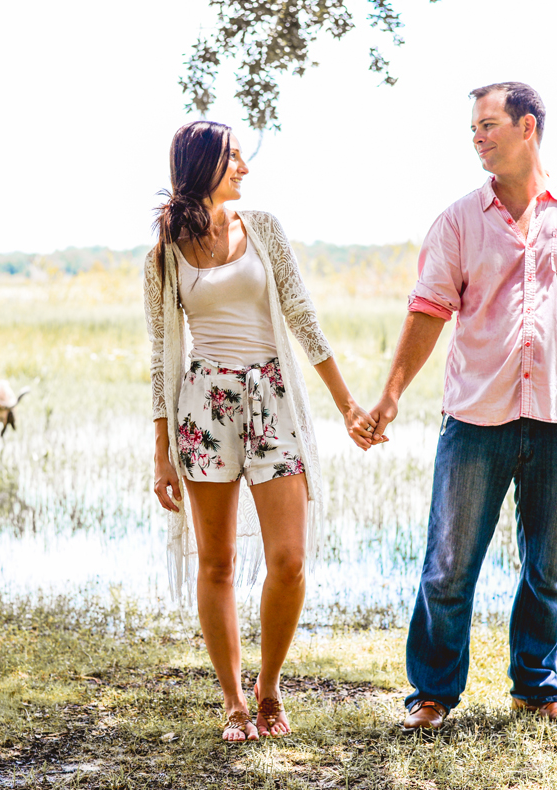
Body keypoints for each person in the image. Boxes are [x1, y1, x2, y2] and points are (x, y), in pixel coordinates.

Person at [368, 82, 557, 730]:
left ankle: (535, 686)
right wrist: (391, 392)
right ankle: (431, 694)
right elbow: (428, 310)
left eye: (488, 125)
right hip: (475, 419)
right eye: (473, 129)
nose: (477, 138)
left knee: (548, 565)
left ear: (528, 127)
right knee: (448, 564)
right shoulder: (458, 219)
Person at [145, 121, 380, 742]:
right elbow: (161, 349)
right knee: (216, 563)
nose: (245, 169)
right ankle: (234, 704)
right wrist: (162, 450)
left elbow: (302, 316)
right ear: (202, 166)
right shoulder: (164, 251)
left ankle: (269, 685)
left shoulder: (265, 230)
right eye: (233, 158)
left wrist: (347, 405)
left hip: (272, 399)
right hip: (203, 408)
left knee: (289, 558)